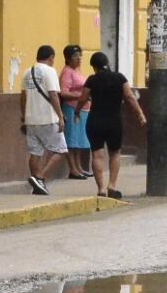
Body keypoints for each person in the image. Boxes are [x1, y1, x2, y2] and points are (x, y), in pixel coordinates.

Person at [73, 51, 145, 200]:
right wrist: (140, 114)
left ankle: (100, 189)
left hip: (95, 121)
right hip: (114, 121)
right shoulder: (119, 78)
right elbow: (130, 97)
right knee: (115, 153)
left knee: (97, 154)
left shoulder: (92, 80)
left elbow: (83, 98)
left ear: (94, 66)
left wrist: (77, 112)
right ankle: (112, 185)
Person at [22, 44, 66, 195]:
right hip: (48, 118)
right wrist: (60, 116)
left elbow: (23, 96)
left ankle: (37, 185)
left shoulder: (27, 72)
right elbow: (53, 95)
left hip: (31, 119)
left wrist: (24, 117)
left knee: (35, 152)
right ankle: (40, 177)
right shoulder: (50, 71)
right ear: (51, 58)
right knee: (60, 150)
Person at [59, 44, 92, 179]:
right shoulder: (67, 72)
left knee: (78, 141)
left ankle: (79, 167)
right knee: (71, 141)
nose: (79, 58)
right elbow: (64, 93)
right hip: (72, 109)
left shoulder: (77, 71)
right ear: (67, 58)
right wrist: (81, 96)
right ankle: (73, 169)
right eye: (75, 56)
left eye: (80, 55)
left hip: (83, 110)